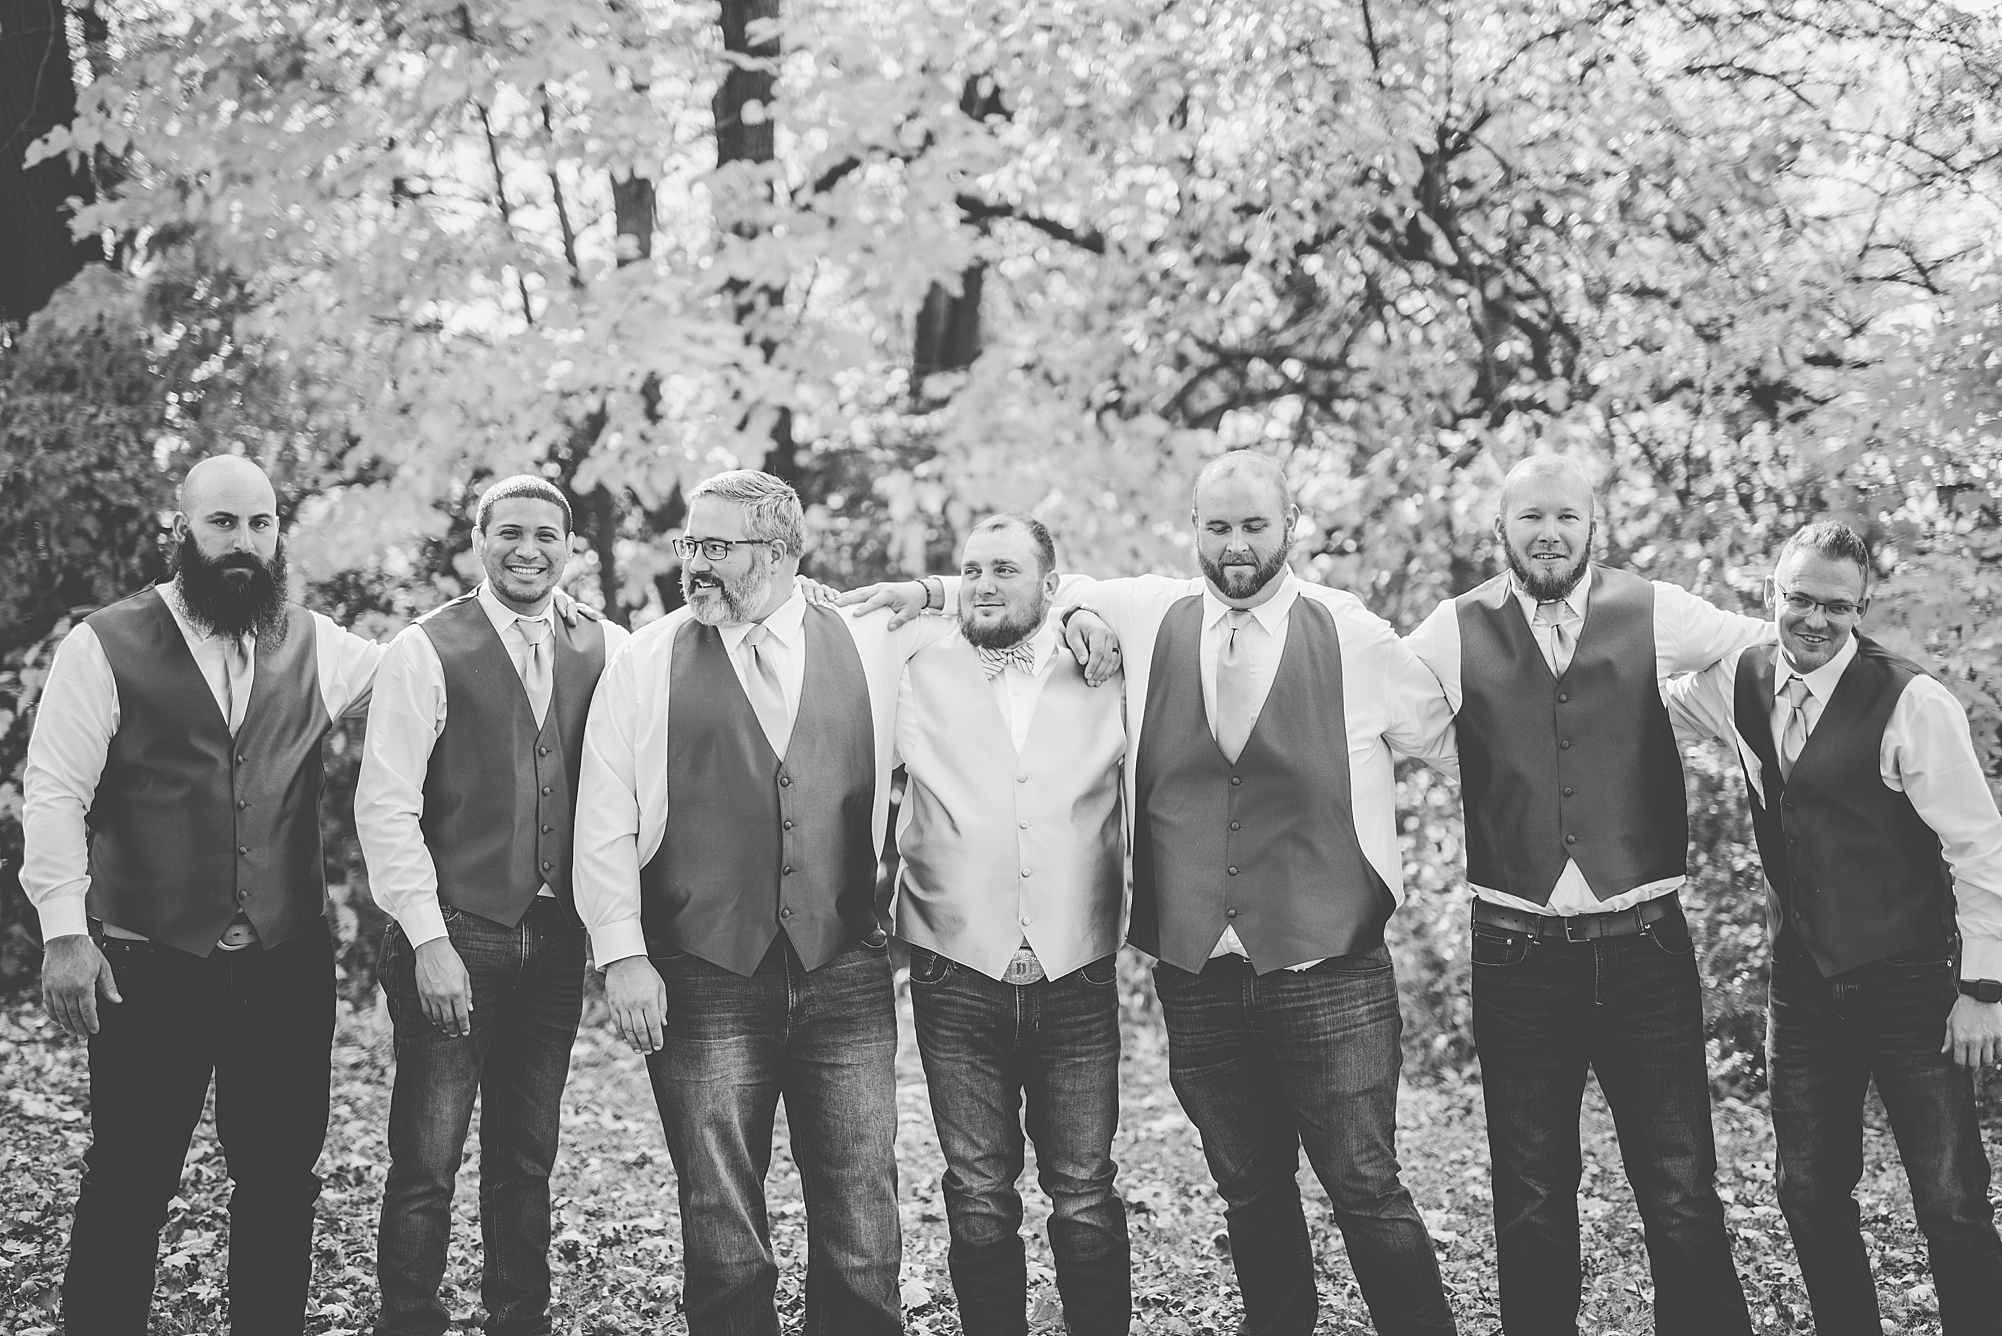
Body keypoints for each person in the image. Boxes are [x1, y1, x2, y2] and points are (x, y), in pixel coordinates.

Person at [855, 449, 1461, 1336]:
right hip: (1200, 975)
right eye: (1218, 527)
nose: (1236, 544)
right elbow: (1035, 587)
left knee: (1366, 1185)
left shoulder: (1353, 633)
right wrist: (931, 591)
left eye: (1254, 525)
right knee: (1249, 1188)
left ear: (1292, 524)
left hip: (1328, 972)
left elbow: (1454, 743)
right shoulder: (1148, 615)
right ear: (1195, 531)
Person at [573, 471, 1123, 1336]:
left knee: (864, 1204)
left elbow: (1011, 599)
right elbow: (603, 813)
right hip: (700, 969)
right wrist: (621, 952)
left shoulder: (872, 635)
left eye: (716, 546)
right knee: (719, 1210)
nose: (695, 563)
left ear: (779, 554)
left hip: (843, 970)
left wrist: (1082, 611)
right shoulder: (644, 661)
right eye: (690, 543)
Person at [1403, 454, 1765, 1336]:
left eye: (1567, 516)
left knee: (1679, 1183)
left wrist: (1703, 705)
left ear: (1594, 526)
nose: (1550, 533)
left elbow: (1763, 643)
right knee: (1530, 1190)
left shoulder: (1654, 611)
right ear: (1501, 530)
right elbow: (1383, 707)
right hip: (1516, 952)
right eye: (1531, 517)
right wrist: (1475, 762)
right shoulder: (1453, 629)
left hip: (1647, 947)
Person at [22, 454, 383, 1335]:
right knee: (130, 1178)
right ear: (180, 529)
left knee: (281, 1182)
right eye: (223, 523)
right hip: (147, 967)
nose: (243, 542)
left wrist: (533, 612)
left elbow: (431, 676)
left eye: (260, 524)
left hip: (286, 968)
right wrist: (65, 933)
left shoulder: (321, 645)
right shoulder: (103, 644)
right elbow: (56, 793)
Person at [1664, 519, 2002, 1335]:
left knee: (1950, 1198)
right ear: (1772, 593)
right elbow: (1638, 707)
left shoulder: (1912, 702)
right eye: (1801, 599)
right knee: (1808, 1190)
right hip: (1802, 980)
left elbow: (1981, 848)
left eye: (1837, 607)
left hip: (1911, 978)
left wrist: (1983, 989)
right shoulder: (1738, 679)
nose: (1815, 619)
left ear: (1861, 609)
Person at [356, 475, 629, 1336]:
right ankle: (409, 1319)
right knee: (427, 1158)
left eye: (547, 535)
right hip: (456, 930)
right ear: (479, 542)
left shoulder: (610, 646)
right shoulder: (424, 648)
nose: (528, 550)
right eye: (509, 532)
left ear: (570, 547)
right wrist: (427, 941)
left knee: (527, 1156)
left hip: (556, 937)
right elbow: (386, 807)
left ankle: (520, 1319)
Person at [893, 513, 1129, 1336]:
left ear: (1053, 587)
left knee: (1086, 1189)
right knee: (978, 1191)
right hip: (953, 970)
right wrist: (932, 592)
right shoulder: (912, 663)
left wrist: (1085, 611)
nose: (983, 586)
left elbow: (1165, 602)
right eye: (971, 571)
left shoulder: (1108, 664)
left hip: (1077, 971)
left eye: (1004, 570)